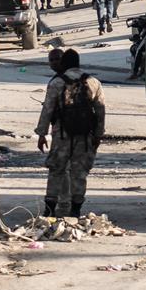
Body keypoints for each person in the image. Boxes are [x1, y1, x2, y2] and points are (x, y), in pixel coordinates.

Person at [35, 48, 105, 218]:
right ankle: (76, 209)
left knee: (56, 169)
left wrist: (42, 133)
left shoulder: (57, 82)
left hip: (61, 134)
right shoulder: (93, 82)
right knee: (79, 172)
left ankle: (50, 208)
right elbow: (100, 110)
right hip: (85, 134)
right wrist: (98, 134)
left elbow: (48, 109)